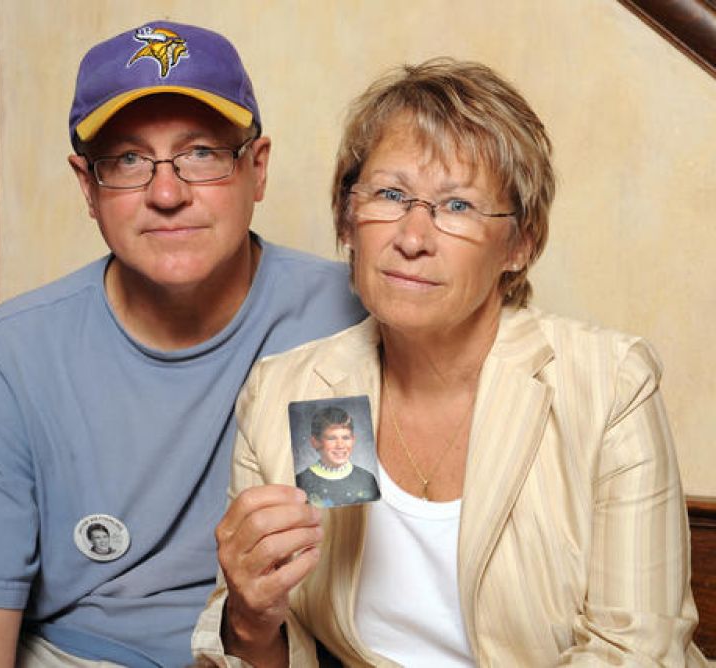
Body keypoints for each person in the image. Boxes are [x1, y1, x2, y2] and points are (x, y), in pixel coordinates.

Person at [193, 58, 707, 666]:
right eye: (389, 194)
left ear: (520, 244)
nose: (413, 237)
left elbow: (635, 652)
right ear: (347, 220)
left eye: (457, 206)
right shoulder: (292, 390)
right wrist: (249, 622)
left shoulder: (609, 385)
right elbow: (277, 645)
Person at [0, 20, 364, 668]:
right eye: (127, 160)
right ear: (87, 187)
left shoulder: (347, 314)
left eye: (202, 153)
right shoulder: (5, 360)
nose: (166, 192)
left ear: (256, 169)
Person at [295, 405, 380, 508]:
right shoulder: (301, 481)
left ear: (353, 440)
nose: (340, 445)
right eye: (331, 438)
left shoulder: (367, 479)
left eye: (346, 437)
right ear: (316, 442)